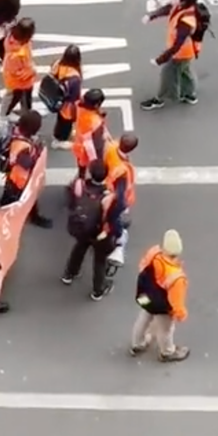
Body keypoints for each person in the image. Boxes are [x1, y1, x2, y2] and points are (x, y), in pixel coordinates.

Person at [62, 161, 120, 300]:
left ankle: (70, 274)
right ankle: (97, 290)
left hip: (80, 228)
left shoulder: (79, 185)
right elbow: (113, 218)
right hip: (99, 233)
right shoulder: (108, 196)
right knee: (100, 261)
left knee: (79, 247)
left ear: (90, 173)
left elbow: (70, 202)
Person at [131, 230, 190, 362]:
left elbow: (142, 266)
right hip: (161, 305)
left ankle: (138, 343)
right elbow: (176, 302)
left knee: (144, 318)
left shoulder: (154, 253)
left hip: (144, 296)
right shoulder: (176, 276)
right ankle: (167, 352)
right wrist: (180, 314)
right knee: (165, 329)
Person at [141, 0, 200, 110]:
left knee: (167, 74)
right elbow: (168, 8)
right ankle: (189, 94)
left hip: (181, 53)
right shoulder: (181, 7)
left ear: (183, 1)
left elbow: (177, 46)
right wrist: (152, 16)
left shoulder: (186, 21)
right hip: (186, 51)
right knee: (184, 71)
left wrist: (160, 60)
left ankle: (159, 99)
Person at [0, 110, 52, 228]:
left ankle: (3, 206)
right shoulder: (24, 146)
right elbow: (27, 164)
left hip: (12, 176)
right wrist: (37, 152)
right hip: (22, 180)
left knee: (9, 194)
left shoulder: (15, 135)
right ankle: (34, 217)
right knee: (29, 198)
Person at [104, 132, 138, 268]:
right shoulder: (122, 171)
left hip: (108, 186)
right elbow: (120, 196)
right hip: (115, 197)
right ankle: (118, 233)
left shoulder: (112, 147)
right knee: (114, 218)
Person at [0, 17, 38, 120]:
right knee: (14, 98)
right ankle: (5, 115)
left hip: (20, 81)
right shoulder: (17, 55)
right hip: (19, 83)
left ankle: (21, 112)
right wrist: (33, 70)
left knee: (19, 99)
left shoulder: (13, 37)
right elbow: (19, 74)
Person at [49, 44, 83, 150]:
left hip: (57, 98)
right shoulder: (74, 77)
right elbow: (74, 95)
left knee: (61, 119)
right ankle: (59, 140)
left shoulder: (57, 64)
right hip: (68, 104)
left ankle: (59, 135)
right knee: (66, 122)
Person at [72, 88, 109, 178]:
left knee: (81, 165)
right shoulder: (95, 122)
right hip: (88, 150)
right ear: (96, 105)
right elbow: (98, 143)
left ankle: (80, 179)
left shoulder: (78, 106)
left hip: (78, 144)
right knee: (93, 169)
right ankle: (85, 182)